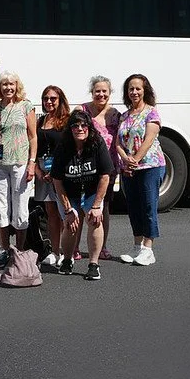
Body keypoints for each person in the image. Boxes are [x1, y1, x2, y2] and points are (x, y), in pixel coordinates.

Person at [51, 109, 114, 280]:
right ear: (70, 129)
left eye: (83, 125)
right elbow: (57, 180)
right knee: (71, 223)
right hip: (69, 191)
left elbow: (105, 175)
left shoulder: (97, 143)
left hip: (92, 190)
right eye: (75, 125)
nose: (80, 128)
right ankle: (67, 259)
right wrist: (68, 209)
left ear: (89, 127)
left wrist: (96, 206)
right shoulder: (63, 147)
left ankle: (94, 264)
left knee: (95, 220)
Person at [0, 71, 37, 264]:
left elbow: (33, 136)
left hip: (20, 162)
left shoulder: (26, 106)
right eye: (4, 84)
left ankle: (20, 250)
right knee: (0, 208)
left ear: (17, 86)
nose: (8, 88)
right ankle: (4, 249)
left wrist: (32, 162)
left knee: (21, 207)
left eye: (11, 84)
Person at [116, 74, 165, 267]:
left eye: (138, 88)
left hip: (150, 166)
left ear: (145, 90)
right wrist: (125, 159)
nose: (134, 92)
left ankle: (148, 248)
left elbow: (149, 140)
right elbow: (118, 142)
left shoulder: (151, 113)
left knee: (147, 206)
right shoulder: (125, 116)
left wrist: (135, 160)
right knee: (133, 207)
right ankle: (137, 246)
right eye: (131, 89)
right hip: (129, 168)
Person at [83, 76, 123, 263]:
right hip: (86, 166)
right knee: (83, 205)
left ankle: (102, 246)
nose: (101, 94)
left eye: (104, 91)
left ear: (109, 92)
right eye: (97, 91)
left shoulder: (116, 114)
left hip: (108, 167)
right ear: (92, 92)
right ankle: (76, 247)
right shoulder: (83, 111)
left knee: (102, 206)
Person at [34, 85, 70, 267]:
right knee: (51, 214)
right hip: (43, 172)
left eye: (53, 98)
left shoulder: (66, 121)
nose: (49, 102)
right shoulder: (41, 121)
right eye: (46, 98)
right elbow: (34, 147)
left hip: (60, 172)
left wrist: (56, 172)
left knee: (65, 212)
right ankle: (54, 251)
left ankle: (67, 250)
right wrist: (39, 172)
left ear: (60, 100)